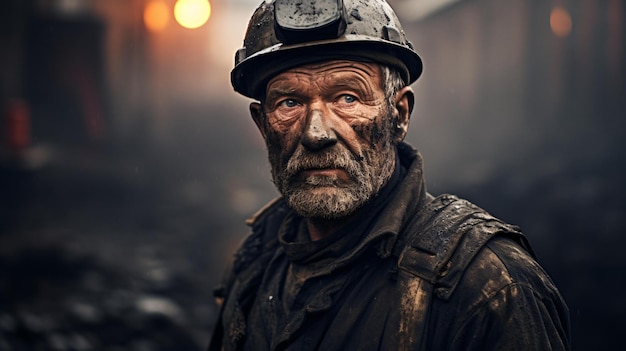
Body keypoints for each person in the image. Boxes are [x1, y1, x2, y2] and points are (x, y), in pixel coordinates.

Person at [209, 0, 570, 350]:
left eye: (347, 98)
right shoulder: (256, 259)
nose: (316, 133)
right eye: (289, 102)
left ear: (399, 115)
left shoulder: (487, 285)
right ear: (262, 125)